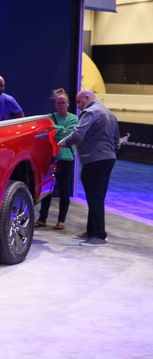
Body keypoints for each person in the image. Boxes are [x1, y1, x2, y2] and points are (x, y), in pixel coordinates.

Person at [58, 89, 120, 247]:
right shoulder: (109, 113)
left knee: (94, 196)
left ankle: (99, 235)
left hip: (94, 160)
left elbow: (78, 134)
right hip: (109, 159)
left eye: (79, 102)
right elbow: (117, 139)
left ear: (87, 98)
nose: (78, 106)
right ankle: (92, 231)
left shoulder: (90, 112)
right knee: (97, 196)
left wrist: (63, 143)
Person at [36, 89, 77, 230]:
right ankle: (42, 219)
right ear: (54, 104)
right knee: (47, 191)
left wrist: (55, 130)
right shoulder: (49, 117)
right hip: (51, 159)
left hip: (66, 159)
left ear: (68, 103)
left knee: (64, 191)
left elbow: (68, 135)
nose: (61, 105)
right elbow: (46, 133)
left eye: (63, 103)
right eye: (58, 103)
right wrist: (60, 129)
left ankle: (61, 221)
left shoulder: (73, 119)